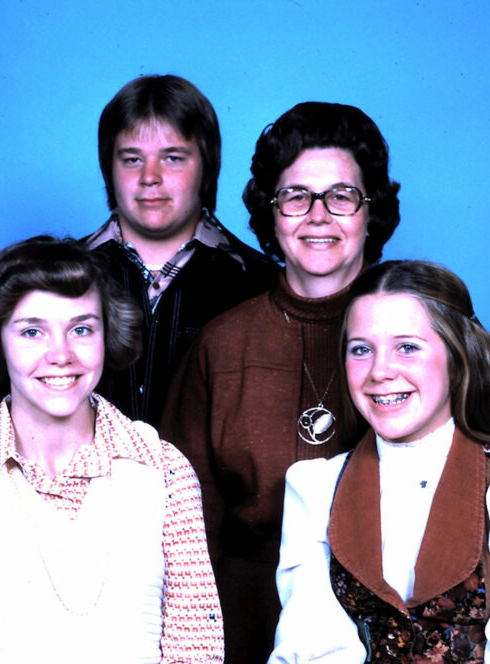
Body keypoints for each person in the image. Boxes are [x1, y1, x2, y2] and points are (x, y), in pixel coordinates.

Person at [161, 102, 401, 663]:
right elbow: (179, 529)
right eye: (296, 196)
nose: (318, 216)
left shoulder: (428, 327)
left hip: (395, 625)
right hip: (246, 631)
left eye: (341, 196)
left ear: (373, 211)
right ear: (271, 212)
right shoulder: (223, 343)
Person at [0, 236, 224, 663]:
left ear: (107, 334)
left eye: (81, 329)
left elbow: (198, 652)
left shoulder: (165, 471)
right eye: (32, 331)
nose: (60, 354)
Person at [272, 260, 490, 663]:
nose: (380, 371)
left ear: (457, 360)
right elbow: (311, 644)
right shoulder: (314, 488)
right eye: (361, 350)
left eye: (407, 347)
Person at [85, 74, 277, 426]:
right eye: (131, 159)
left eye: (173, 158)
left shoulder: (261, 283)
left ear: (207, 167)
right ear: (108, 169)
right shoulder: (63, 275)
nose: (150, 177)